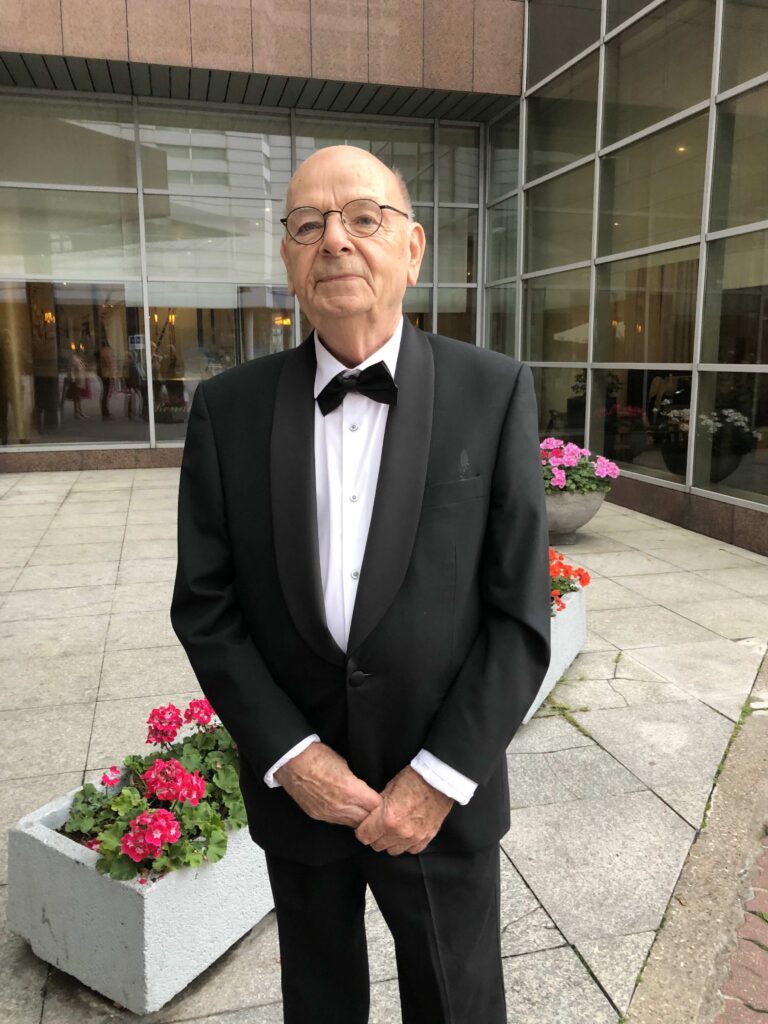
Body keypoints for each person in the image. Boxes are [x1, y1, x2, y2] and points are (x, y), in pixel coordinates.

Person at [171, 145, 551, 1024]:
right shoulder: (228, 410)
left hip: (442, 796)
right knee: (318, 1003)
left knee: (458, 1005)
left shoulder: (493, 391)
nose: (335, 240)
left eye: (363, 218)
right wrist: (292, 758)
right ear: (289, 259)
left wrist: (438, 776)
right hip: (303, 796)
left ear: (412, 249)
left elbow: (518, 613)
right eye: (309, 224)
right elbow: (207, 607)